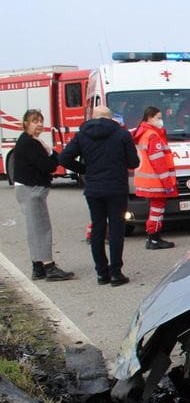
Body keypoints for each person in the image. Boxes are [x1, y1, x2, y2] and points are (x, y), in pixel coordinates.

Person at [59, 106, 140, 286]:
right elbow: (134, 162)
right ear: (111, 118)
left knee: (98, 229)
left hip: (94, 189)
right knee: (116, 229)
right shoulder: (122, 135)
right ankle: (116, 273)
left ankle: (101, 274)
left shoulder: (82, 135)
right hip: (116, 188)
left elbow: (64, 158)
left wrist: (85, 170)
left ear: (93, 117)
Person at [12, 109, 75, 281]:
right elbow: (49, 166)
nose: (39, 124)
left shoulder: (30, 141)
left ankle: (38, 267)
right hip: (32, 190)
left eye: (41, 120)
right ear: (26, 123)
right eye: (34, 121)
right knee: (41, 228)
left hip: (27, 188)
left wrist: (49, 153)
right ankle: (49, 266)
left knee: (34, 228)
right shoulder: (30, 143)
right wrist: (50, 153)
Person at [132, 106, 178, 248]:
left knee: (155, 210)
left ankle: (153, 237)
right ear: (150, 118)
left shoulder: (142, 133)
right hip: (156, 181)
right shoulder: (152, 135)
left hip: (147, 180)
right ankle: (154, 238)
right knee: (157, 210)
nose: (161, 121)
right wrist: (168, 184)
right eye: (158, 118)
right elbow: (159, 163)